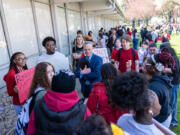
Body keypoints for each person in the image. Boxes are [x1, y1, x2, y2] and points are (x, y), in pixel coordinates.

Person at [27, 69, 91, 135]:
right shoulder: (83, 110)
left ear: (53, 85)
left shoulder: (38, 106)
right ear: (73, 87)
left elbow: (30, 131)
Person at [15, 62, 55, 135]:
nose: (52, 74)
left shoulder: (39, 87)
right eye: (48, 72)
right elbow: (43, 121)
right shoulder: (42, 94)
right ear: (41, 76)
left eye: (52, 70)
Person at [142, 55, 173, 128]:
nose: (142, 65)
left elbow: (151, 110)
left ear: (149, 68)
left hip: (159, 121)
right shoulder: (162, 77)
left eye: (144, 63)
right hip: (166, 115)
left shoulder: (153, 88)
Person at [160, 43, 180, 128]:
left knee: (173, 102)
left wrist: (164, 69)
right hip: (168, 82)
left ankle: (174, 121)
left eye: (163, 50)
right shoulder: (166, 57)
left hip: (174, 83)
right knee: (169, 102)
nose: (161, 52)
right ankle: (170, 119)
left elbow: (175, 70)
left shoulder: (174, 58)